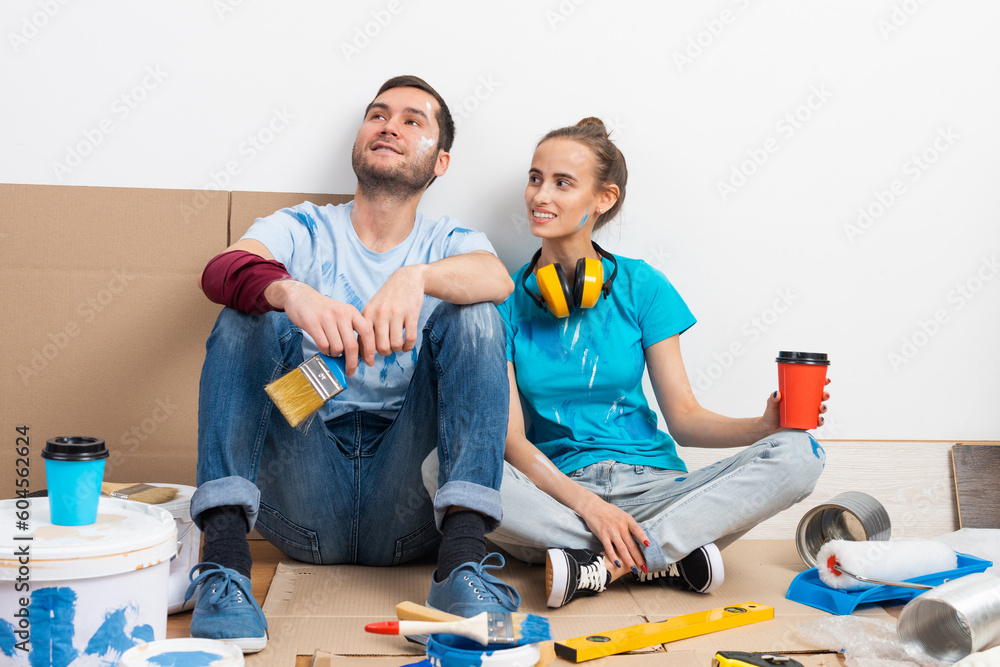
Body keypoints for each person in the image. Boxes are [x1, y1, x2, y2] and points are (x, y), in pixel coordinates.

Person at [425, 117, 828, 609]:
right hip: (560, 496)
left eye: (562, 183)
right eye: (535, 178)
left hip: (655, 487)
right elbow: (509, 441)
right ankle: (668, 553)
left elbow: (684, 419)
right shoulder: (504, 300)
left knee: (799, 452)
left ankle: (600, 564)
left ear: (604, 199)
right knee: (439, 467)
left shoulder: (644, 287)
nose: (539, 196)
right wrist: (589, 506)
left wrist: (762, 426)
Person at [187, 75, 519, 652]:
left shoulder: (449, 241)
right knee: (249, 313)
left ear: (440, 162)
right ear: (360, 139)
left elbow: (496, 279)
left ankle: (463, 566)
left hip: (411, 500)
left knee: (478, 316)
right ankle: (224, 570)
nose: (390, 125)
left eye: (413, 120)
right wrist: (291, 294)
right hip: (303, 486)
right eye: (378, 115)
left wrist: (416, 278)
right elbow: (221, 271)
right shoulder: (305, 227)